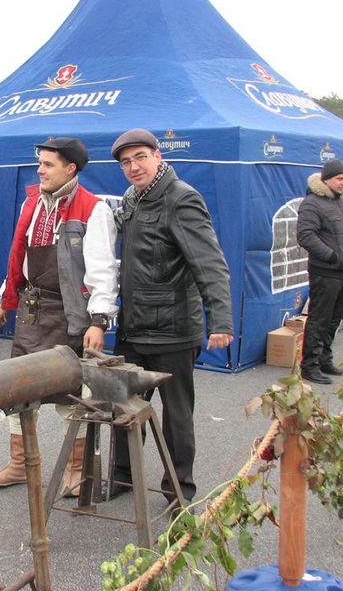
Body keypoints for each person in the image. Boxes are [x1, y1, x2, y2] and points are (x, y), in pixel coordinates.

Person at [0, 137, 119, 496]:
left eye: (48, 164)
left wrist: (98, 321)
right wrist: (4, 300)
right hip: (32, 312)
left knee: (69, 396)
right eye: (40, 163)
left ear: (70, 168)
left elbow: (103, 270)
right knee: (18, 391)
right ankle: (20, 465)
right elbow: (20, 259)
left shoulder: (93, 209)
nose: (40, 170)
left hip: (69, 316)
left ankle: (77, 471)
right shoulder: (33, 204)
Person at [109, 129, 233, 505]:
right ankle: (123, 479)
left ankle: (180, 490)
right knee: (124, 407)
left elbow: (210, 264)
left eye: (141, 157)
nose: (133, 167)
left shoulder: (181, 199)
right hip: (133, 327)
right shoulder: (132, 199)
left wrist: (222, 321)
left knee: (176, 416)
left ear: (158, 156)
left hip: (174, 329)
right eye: (126, 162)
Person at [296, 159, 343, 385]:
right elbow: (305, 236)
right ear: (326, 180)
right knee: (319, 318)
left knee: (334, 318)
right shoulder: (312, 203)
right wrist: (331, 256)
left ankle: (324, 359)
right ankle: (309, 365)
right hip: (325, 271)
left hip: (342, 271)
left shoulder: (340, 202)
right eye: (339, 179)